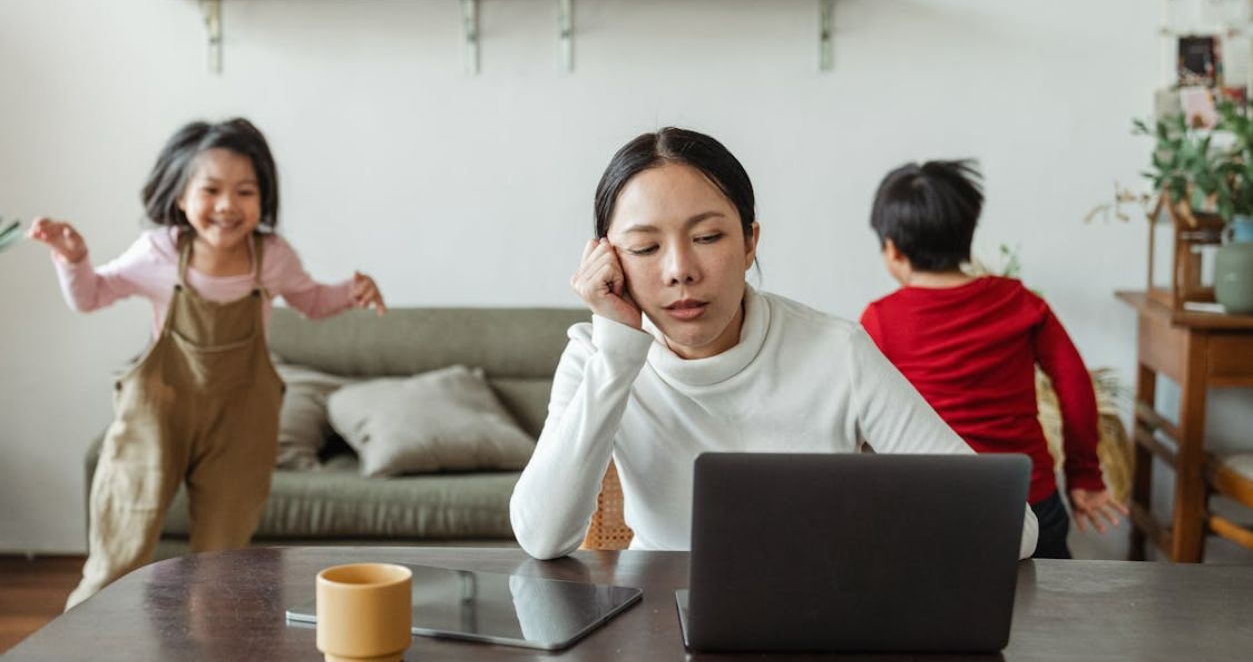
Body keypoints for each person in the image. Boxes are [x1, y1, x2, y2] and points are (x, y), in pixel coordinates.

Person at [509, 128, 1038, 561]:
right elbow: (541, 537)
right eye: (646, 247)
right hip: (656, 620)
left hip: (816, 614)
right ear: (608, 261)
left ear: (749, 243)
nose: (680, 271)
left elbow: (1013, 530)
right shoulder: (595, 357)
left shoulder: (837, 352)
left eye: (709, 237)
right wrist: (618, 354)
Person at [28, 118, 386, 608]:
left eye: (245, 191)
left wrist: (351, 292)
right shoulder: (158, 252)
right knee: (118, 552)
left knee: (221, 566)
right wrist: (73, 260)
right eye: (211, 189)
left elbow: (312, 301)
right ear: (180, 196)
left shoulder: (272, 257)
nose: (227, 206)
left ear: (263, 200)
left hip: (240, 422)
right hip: (157, 415)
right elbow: (91, 296)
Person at [858, 160, 1127, 559]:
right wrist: (1084, 474)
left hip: (934, 508)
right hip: (1029, 502)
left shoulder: (880, 319)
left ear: (893, 250)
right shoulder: (1021, 302)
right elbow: (1075, 386)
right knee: (1049, 615)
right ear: (968, 236)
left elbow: (864, 415)